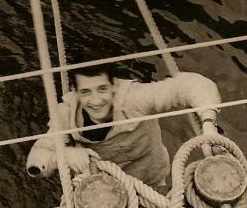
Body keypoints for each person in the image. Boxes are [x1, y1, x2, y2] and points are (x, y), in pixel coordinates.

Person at [26, 62, 222, 189]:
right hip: (105, 189)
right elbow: (35, 163)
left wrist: (208, 124)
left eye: (102, 89)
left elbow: (190, 85)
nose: (96, 101)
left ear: (114, 86)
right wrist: (64, 155)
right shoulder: (66, 114)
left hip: (151, 181)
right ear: (75, 92)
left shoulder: (135, 98)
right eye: (86, 92)